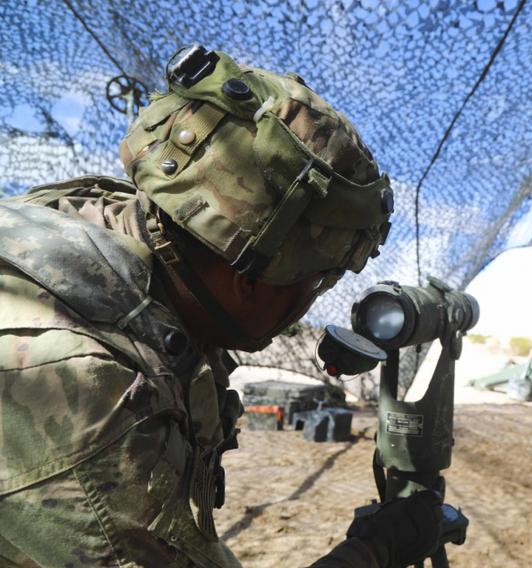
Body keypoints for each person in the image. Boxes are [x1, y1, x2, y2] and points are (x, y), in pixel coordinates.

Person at [0, 46, 440, 568]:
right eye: (319, 281)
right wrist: (374, 551)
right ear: (248, 278)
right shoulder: (88, 389)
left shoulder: (112, 226)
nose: (309, 305)